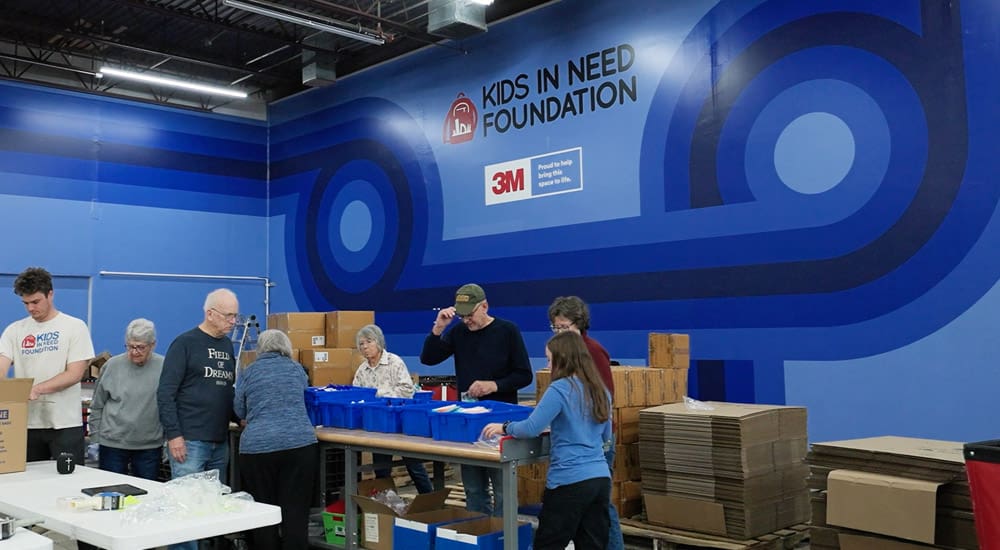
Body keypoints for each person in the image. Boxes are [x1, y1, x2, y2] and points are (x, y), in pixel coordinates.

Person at [482, 331, 612, 550]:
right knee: (592, 545)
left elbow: (531, 427)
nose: (548, 365)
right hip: (600, 480)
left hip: (568, 481)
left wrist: (505, 427)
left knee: (548, 544)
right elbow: (606, 435)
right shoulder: (601, 390)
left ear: (563, 360)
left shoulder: (560, 388)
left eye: (550, 360)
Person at [420, 283, 532, 515]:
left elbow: (524, 375)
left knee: (502, 490)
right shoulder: (459, 333)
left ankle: (504, 537)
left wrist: (494, 385)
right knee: (473, 489)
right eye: (462, 316)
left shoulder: (507, 331)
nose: (467, 320)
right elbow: (428, 359)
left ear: (485, 306)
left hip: (501, 422)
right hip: (468, 423)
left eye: (470, 315)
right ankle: (479, 533)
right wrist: (438, 328)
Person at [157, 288, 238, 550]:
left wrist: (241, 418)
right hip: (189, 441)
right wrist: (174, 436)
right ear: (210, 314)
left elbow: (227, 390)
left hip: (219, 440)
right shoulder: (184, 344)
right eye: (228, 315)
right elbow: (165, 393)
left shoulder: (226, 346)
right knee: (185, 512)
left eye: (236, 316)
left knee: (212, 512)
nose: (233, 321)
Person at [548, 295, 623, 550]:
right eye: (555, 328)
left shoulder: (592, 352)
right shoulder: (562, 353)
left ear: (579, 325)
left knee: (602, 512)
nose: (559, 333)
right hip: (578, 442)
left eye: (564, 327)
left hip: (596, 441)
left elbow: (603, 401)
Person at [0, 267, 95, 465]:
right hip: (25, 424)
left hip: (65, 424)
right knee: (28, 484)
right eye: (25, 303)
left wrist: (36, 389)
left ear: (50, 294)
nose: (30, 308)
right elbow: (2, 365)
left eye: (35, 302)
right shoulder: (15, 330)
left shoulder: (74, 327)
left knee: (69, 483)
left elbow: (75, 373)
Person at [234, 329, 318, 550]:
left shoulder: (249, 372)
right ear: (286, 347)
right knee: (296, 512)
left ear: (260, 349)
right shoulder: (297, 369)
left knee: (263, 513)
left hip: (257, 449)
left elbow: (239, 410)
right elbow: (306, 398)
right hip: (298, 445)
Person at [352, 324, 433, 494]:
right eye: (361, 344)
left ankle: (430, 501)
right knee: (381, 470)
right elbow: (356, 395)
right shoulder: (362, 370)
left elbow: (406, 390)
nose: (365, 347)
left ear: (379, 342)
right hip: (378, 427)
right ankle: (388, 507)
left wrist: (378, 395)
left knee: (415, 466)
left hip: (401, 424)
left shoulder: (394, 362)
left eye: (368, 342)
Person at [88, 318, 164, 480]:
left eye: (141, 347)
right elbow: (97, 405)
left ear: (153, 345)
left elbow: (171, 406)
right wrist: (95, 438)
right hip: (112, 444)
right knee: (111, 493)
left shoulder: (164, 367)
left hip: (149, 446)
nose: (134, 352)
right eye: (130, 346)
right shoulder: (112, 366)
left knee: (147, 495)